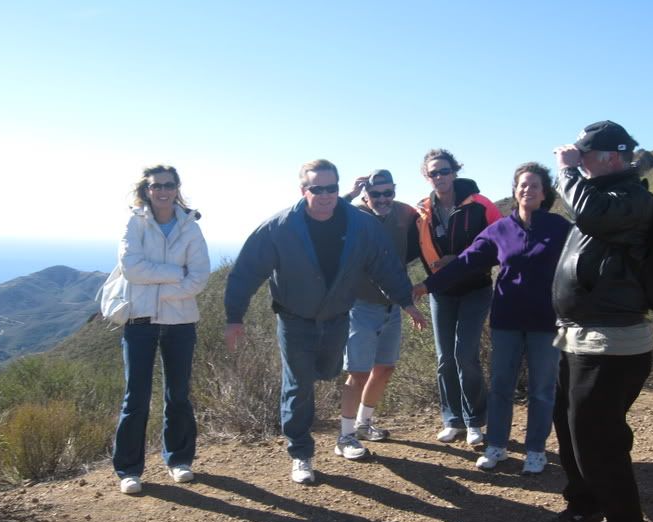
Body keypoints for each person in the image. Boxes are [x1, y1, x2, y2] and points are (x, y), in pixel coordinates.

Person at [224, 159, 427, 484]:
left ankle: (328, 422)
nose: (325, 195)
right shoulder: (280, 227)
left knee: (330, 370)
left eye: (331, 188)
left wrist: (406, 302)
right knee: (299, 384)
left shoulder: (360, 225)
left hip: (336, 318)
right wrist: (235, 317)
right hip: (295, 319)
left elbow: (384, 266)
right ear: (303, 190)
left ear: (339, 188)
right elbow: (247, 271)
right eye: (317, 188)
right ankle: (301, 453)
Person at [549, 121, 653, 522]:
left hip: (611, 343)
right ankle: (586, 501)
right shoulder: (609, 196)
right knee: (570, 425)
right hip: (581, 338)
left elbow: (589, 214)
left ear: (612, 157)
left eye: (584, 154)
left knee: (599, 439)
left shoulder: (629, 199)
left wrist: (568, 173)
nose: (576, 158)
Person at [414, 163, 570, 473]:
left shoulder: (559, 227)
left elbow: (580, 264)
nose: (527, 190)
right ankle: (496, 446)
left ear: (544, 193)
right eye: (522, 185)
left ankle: (536, 450)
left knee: (542, 389)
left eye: (534, 186)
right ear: (515, 191)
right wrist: (426, 286)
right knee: (500, 386)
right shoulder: (501, 230)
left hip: (546, 322)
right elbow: (466, 261)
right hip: (507, 320)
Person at [113, 165, 211, 495]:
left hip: (180, 320)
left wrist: (164, 291)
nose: (163, 190)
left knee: (178, 394)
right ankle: (129, 469)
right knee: (136, 397)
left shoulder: (190, 226)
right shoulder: (135, 222)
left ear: (177, 187)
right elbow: (131, 269)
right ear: (147, 190)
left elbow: (199, 275)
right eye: (157, 186)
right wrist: (175, 273)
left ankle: (179, 460)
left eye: (169, 185)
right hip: (139, 320)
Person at [416, 149, 501, 446]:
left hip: (475, 289)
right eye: (433, 173)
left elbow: (501, 243)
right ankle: (452, 420)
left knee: (465, 354)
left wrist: (459, 259)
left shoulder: (480, 205)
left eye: (444, 171)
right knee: (445, 358)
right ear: (426, 176)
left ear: (455, 172)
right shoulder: (424, 210)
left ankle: (475, 420)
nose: (439, 177)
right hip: (442, 293)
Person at [336, 169, 420, 459]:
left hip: (393, 305)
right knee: (357, 372)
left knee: (384, 367)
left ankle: (363, 423)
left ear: (394, 191)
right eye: (375, 193)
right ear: (365, 194)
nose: (382, 199)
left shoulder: (403, 214)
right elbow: (325, 215)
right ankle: (345, 437)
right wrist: (348, 193)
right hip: (361, 305)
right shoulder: (354, 215)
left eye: (388, 192)